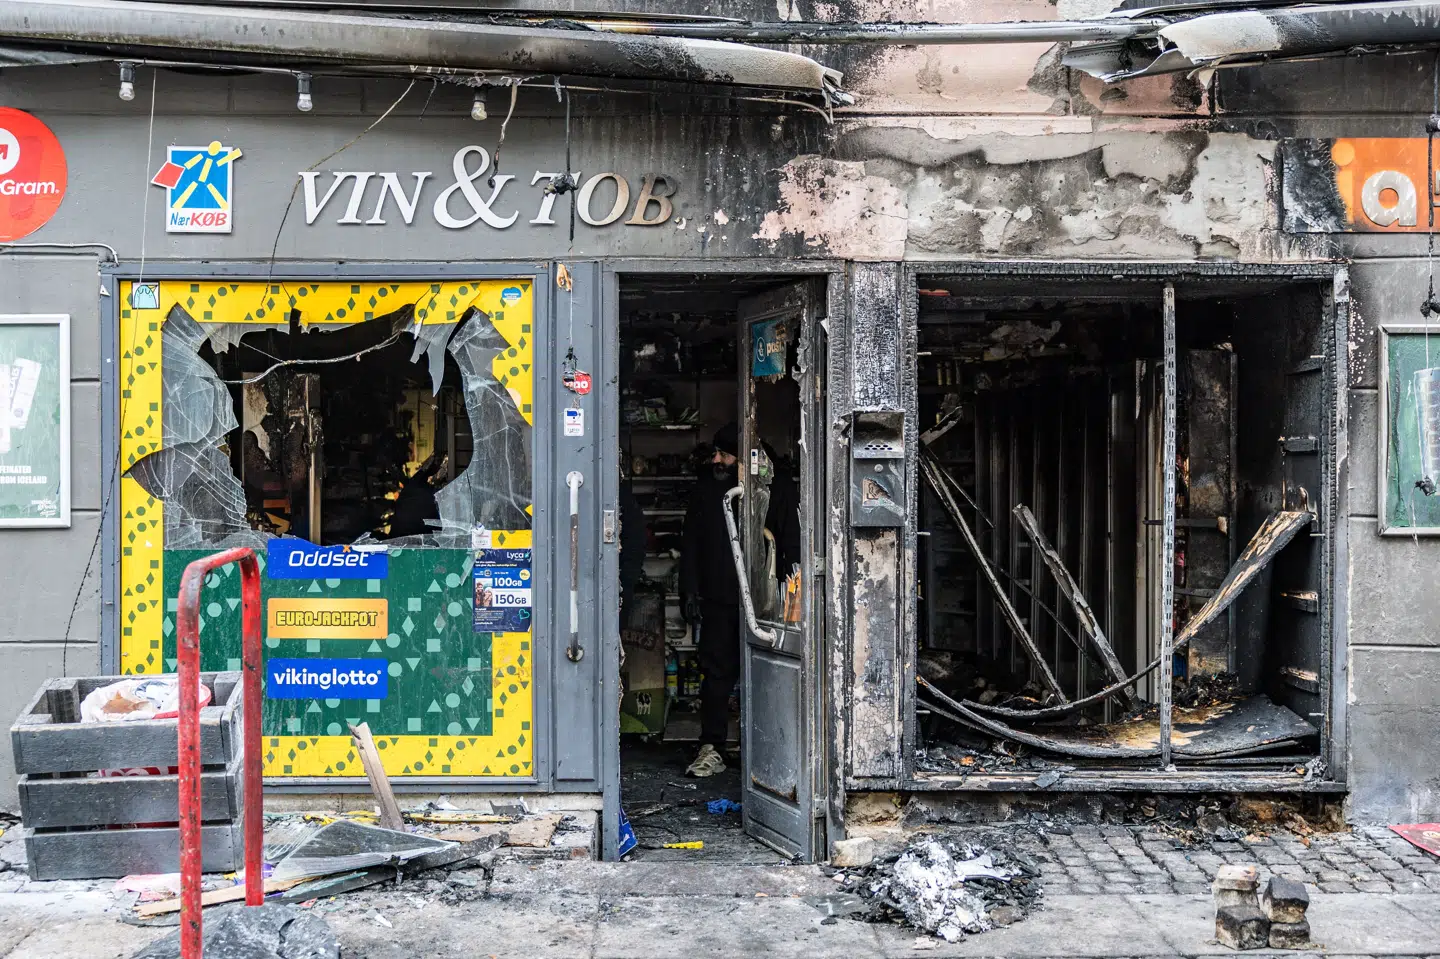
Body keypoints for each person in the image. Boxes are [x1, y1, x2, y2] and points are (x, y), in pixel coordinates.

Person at [678, 422, 743, 777]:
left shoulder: (771, 489)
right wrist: (688, 590)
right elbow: (691, 544)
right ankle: (713, 746)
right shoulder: (706, 491)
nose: (717, 459)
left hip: (764, 601)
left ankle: (765, 749)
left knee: (767, 672)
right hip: (718, 598)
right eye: (716, 453)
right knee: (716, 674)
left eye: (725, 454)